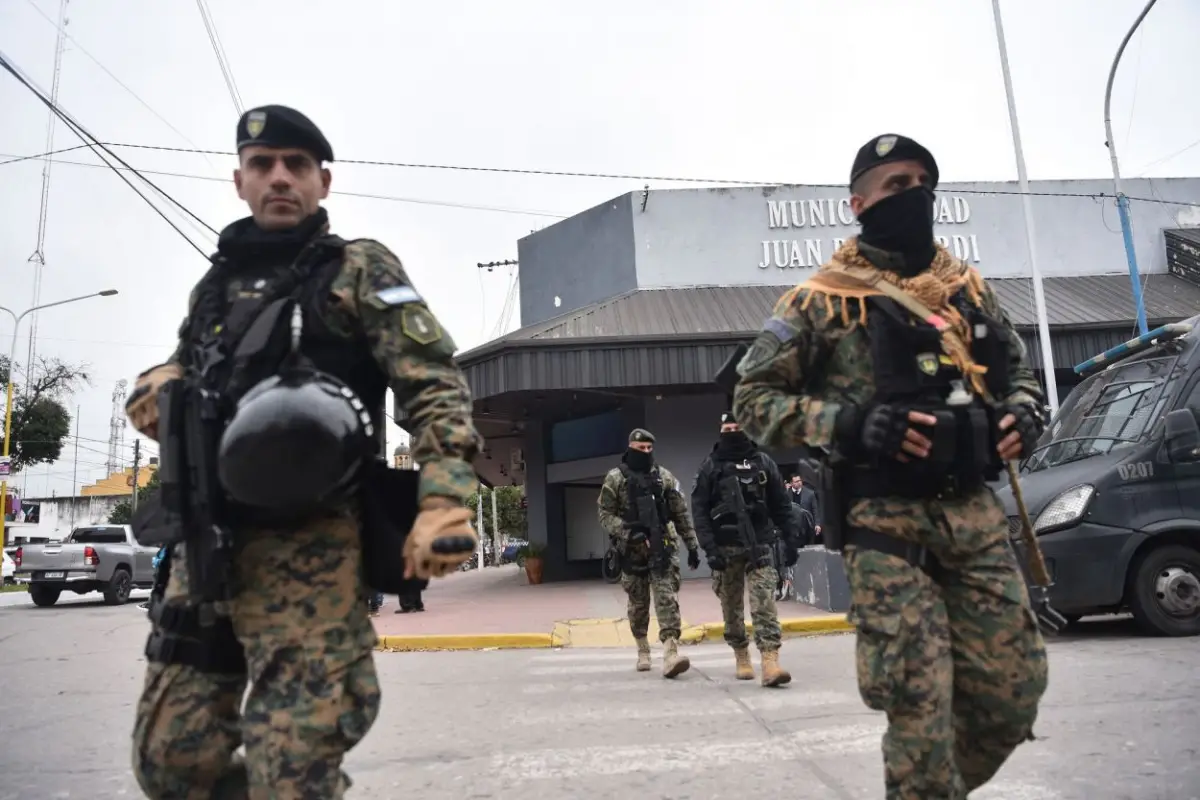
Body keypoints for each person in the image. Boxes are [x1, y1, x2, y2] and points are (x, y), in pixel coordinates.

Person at [123, 104, 483, 799]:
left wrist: (444, 501)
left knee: (291, 776)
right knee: (170, 764)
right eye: (263, 165)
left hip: (314, 554)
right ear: (239, 181)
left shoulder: (357, 269)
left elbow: (433, 385)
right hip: (207, 550)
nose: (279, 178)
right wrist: (157, 386)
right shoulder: (215, 288)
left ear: (324, 179)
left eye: (296, 165)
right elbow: (185, 378)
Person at [732, 133, 1049, 798]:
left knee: (1013, 695)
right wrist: (847, 424)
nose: (915, 195)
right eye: (896, 185)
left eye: (922, 182)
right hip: (886, 526)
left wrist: (1023, 413)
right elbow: (753, 399)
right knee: (916, 700)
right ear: (859, 203)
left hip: (975, 515)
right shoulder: (819, 300)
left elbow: (1018, 372)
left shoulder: (966, 293)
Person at [690, 412, 799, 686]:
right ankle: (741, 654)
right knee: (731, 607)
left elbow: (782, 505)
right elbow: (699, 511)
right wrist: (709, 549)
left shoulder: (763, 463)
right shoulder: (710, 466)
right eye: (727, 428)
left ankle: (770, 660)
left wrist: (791, 539)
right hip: (725, 549)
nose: (732, 432)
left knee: (764, 603)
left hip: (759, 544)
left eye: (737, 427)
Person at [597, 428, 701, 677]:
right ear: (630, 447)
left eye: (648, 449)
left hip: (662, 547)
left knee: (667, 599)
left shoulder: (664, 477)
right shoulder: (615, 478)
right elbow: (604, 514)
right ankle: (643, 649)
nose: (645, 453)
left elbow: (680, 513)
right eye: (640, 448)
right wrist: (627, 532)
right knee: (638, 604)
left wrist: (692, 545)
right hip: (631, 551)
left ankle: (670, 652)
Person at [787, 474, 822, 544]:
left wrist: (817, 524)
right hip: (792, 527)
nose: (799, 483)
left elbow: (815, 509)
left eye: (800, 480)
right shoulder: (786, 494)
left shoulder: (810, 493)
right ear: (791, 483)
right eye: (796, 481)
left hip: (807, 527)